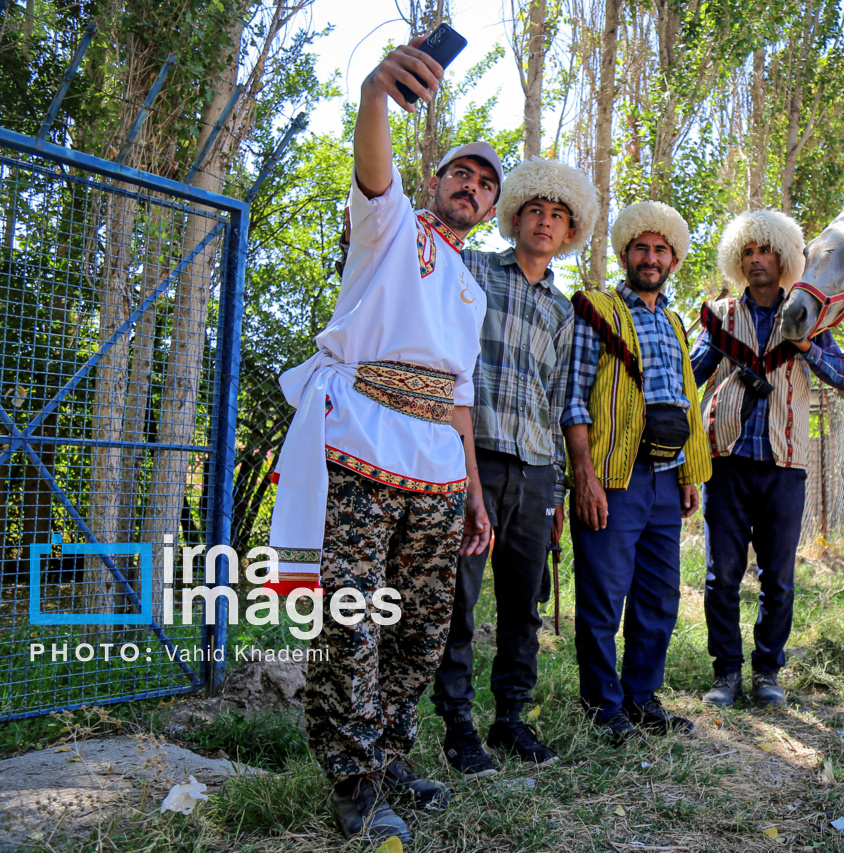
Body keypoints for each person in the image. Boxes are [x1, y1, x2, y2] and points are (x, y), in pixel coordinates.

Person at [266, 38, 498, 846]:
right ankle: (354, 778)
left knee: (421, 625)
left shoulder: (472, 286)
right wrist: (373, 93)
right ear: (435, 181)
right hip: (360, 440)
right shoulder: (390, 225)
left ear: (491, 209)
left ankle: (391, 751)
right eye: (462, 172)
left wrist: (473, 489)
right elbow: (372, 161)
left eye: (485, 184)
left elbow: (463, 398)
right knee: (350, 618)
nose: (471, 186)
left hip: (436, 462)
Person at [430, 157, 598, 778]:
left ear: (569, 230)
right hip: (471, 457)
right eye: (535, 211)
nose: (545, 223)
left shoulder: (562, 311)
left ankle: (512, 718)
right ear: (515, 217)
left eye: (558, 216)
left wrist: (556, 490)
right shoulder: (473, 269)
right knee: (460, 599)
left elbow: (559, 401)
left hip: (534, 470)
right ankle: (457, 722)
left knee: (523, 603)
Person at [560, 201, 712, 744]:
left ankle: (642, 697)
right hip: (613, 477)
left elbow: (684, 398)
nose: (651, 258)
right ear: (625, 253)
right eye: (641, 248)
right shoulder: (596, 308)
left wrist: (689, 473)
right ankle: (602, 706)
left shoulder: (674, 319)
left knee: (659, 597)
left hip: (665, 480)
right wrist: (585, 474)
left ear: (674, 258)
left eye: (661, 249)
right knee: (603, 595)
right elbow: (573, 396)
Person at [690, 210, 844, 708]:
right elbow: (691, 373)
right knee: (721, 576)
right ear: (737, 261)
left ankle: (767, 673)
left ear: (783, 257)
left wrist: (806, 346)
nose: (756, 259)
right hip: (725, 461)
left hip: (785, 465)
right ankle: (726, 673)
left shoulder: (807, 313)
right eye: (747, 251)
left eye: (765, 250)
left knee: (778, 578)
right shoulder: (718, 318)